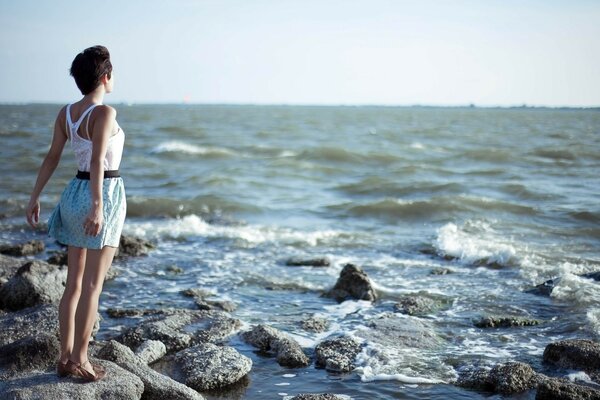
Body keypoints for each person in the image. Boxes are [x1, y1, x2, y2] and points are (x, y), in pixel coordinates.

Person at [25, 45, 126, 382]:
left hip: (73, 194)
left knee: (74, 285)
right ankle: (81, 359)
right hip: (102, 194)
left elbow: (52, 157)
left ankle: (64, 357)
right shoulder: (105, 113)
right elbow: (98, 161)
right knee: (93, 286)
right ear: (106, 76)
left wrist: (35, 196)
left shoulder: (66, 112)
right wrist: (98, 206)